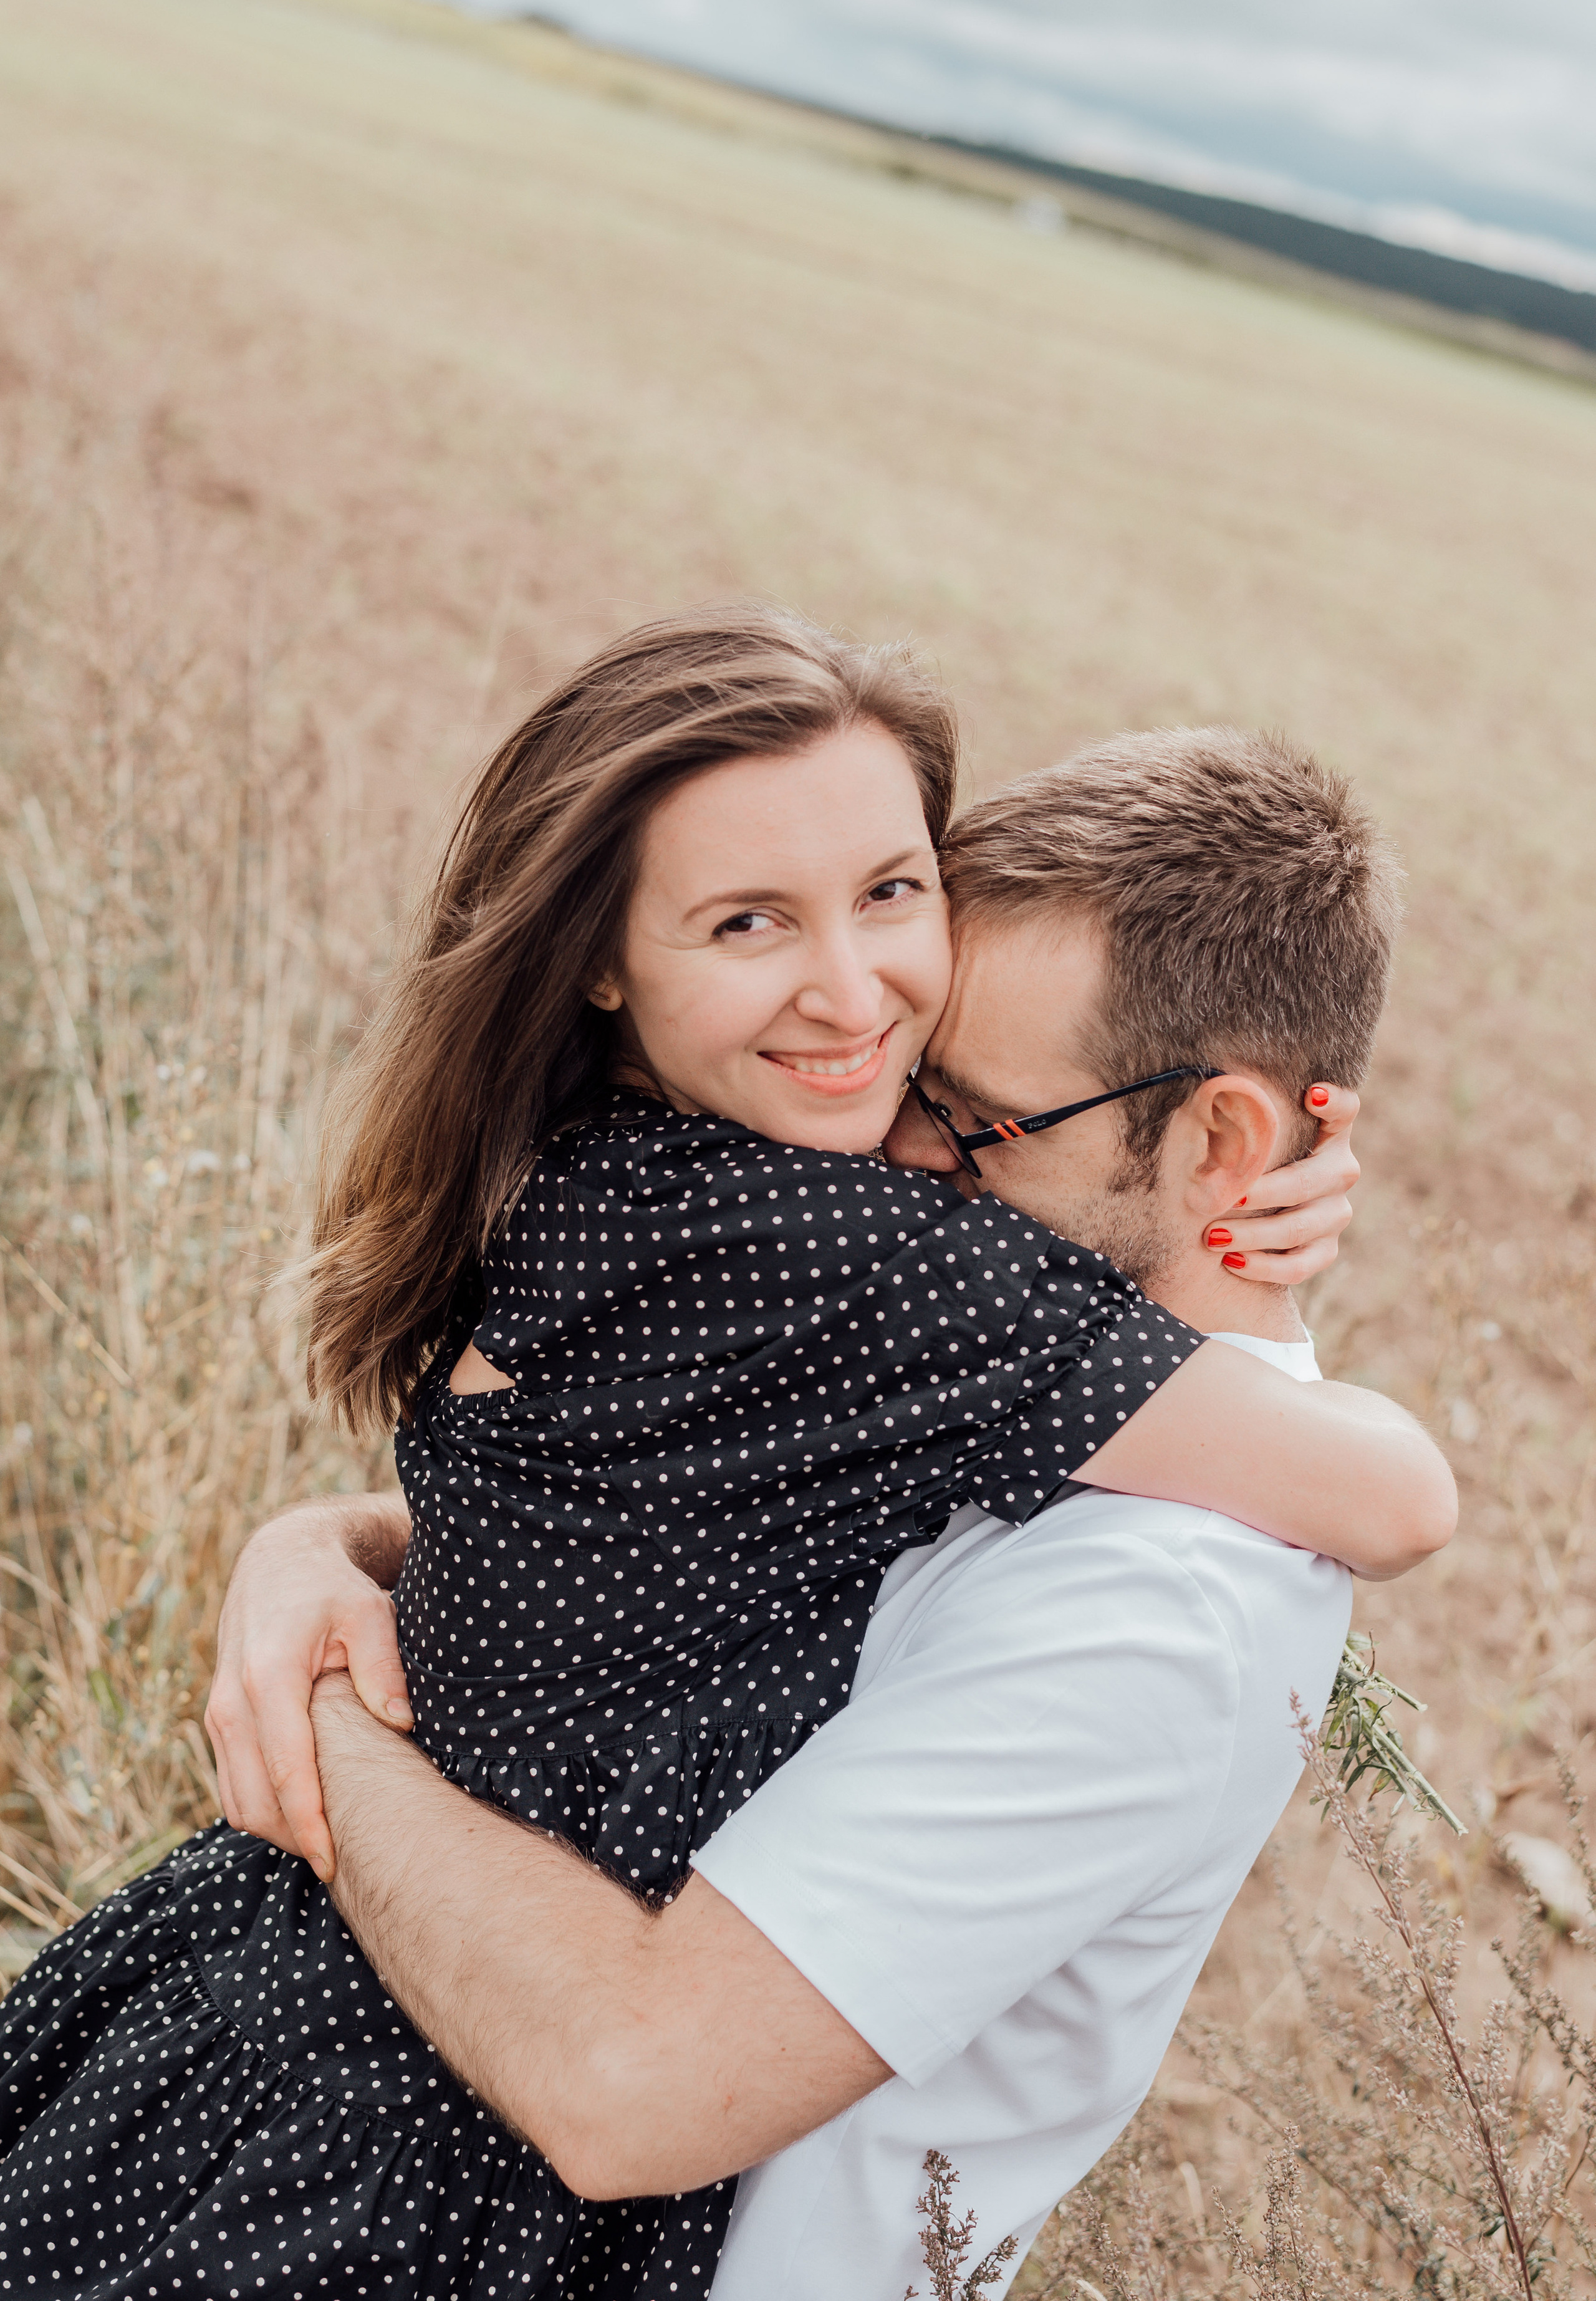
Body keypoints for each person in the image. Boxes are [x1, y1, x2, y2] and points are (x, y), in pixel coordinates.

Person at [0, 613, 1452, 2299]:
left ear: (1225, 1135)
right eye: (753, 921)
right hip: (365, 2128)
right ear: (610, 959)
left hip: (411, 2143)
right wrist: (318, 1555)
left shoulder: (1157, 1595)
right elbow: (619, 1534)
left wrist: (318, 1698)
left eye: (959, 1108)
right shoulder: (859, 1267)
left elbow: (627, 2085)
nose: (884, 1114)